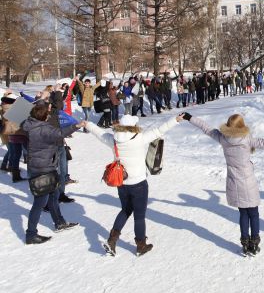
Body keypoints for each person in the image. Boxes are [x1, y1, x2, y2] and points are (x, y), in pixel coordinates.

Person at [181, 112, 264, 256]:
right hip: (248, 183)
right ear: (242, 126)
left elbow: (206, 127)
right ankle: (254, 244)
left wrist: (190, 117)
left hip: (234, 183)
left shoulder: (223, 138)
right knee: (253, 214)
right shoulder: (246, 139)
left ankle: (245, 244)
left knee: (243, 214)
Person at [84, 114, 183, 256]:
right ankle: (141, 245)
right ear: (133, 126)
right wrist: (175, 120)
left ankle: (112, 240)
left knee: (125, 210)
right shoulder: (139, 138)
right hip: (138, 183)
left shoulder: (114, 139)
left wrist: (88, 124)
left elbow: (100, 134)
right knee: (139, 215)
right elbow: (159, 130)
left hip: (122, 182)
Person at [22, 102, 83, 244]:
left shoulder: (28, 124)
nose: (49, 115)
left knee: (54, 195)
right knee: (39, 203)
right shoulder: (43, 129)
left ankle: (59, 222)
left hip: (39, 166)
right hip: (44, 168)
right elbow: (60, 133)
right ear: (43, 117)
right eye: (47, 114)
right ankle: (31, 234)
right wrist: (76, 126)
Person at [1, 93, 27, 181]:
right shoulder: (12, 109)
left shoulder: (5, 107)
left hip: (11, 134)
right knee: (17, 153)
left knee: (14, 153)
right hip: (17, 133)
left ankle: (13, 171)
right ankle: (14, 172)